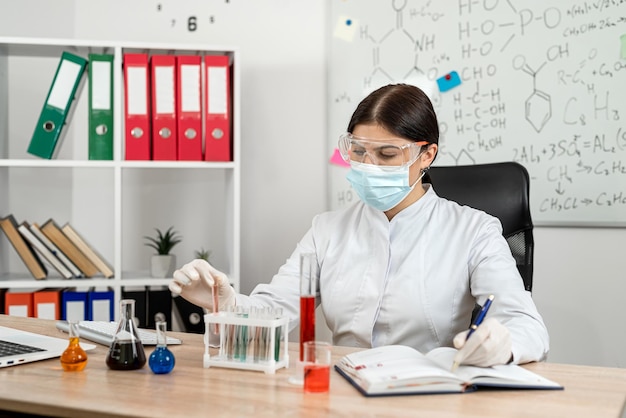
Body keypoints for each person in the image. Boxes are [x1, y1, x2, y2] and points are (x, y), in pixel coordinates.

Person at [169, 83, 549, 367]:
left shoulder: (474, 230)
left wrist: (502, 343)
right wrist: (226, 302)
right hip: (340, 392)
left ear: (426, 155)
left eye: (386, 154)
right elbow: (277, 309)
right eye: (358, 151)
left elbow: (526, 326)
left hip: (431, 397)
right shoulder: (327, 230)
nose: (369, 166)